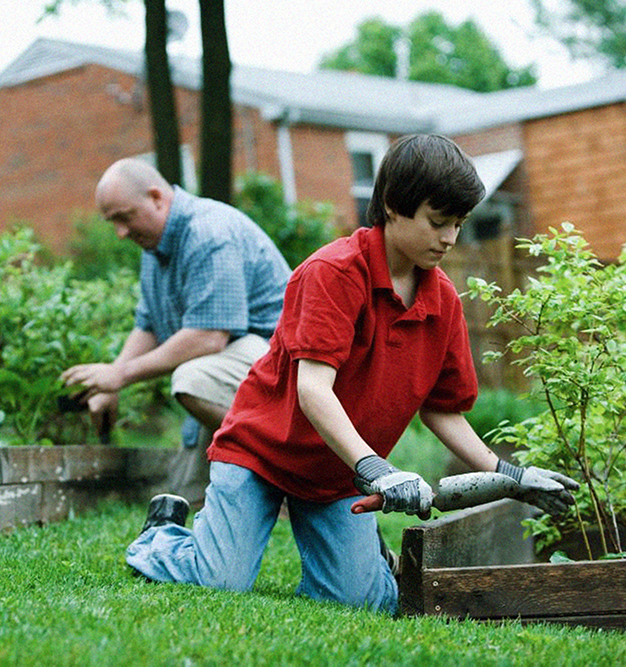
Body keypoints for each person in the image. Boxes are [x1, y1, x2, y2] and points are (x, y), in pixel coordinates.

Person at [125, 134, 579, 614]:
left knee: (361, 602)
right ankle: (162, 535)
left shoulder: (442, 301)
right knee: (219, 580)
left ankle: (364, 562)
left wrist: (513, 475)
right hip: (262, 453)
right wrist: (378, 469)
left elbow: (442, 412)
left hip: (338, 474)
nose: (449, 238)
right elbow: (313, 390)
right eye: (438, 222)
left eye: (458, 224)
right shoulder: (333, 273)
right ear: (391, 206)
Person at [61, 158, 291, 503]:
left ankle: (289, 474)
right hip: (234, 368)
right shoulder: (155, 246)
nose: (120, 233)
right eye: (113, 223)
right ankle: (248, 489)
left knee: (193, 379)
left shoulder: (208, 233)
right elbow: (149, 324)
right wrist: (109, 383)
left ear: (156, 197)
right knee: (185, 495)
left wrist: (121, 374)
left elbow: (208, 337)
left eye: (124, 217)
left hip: (281, 366)